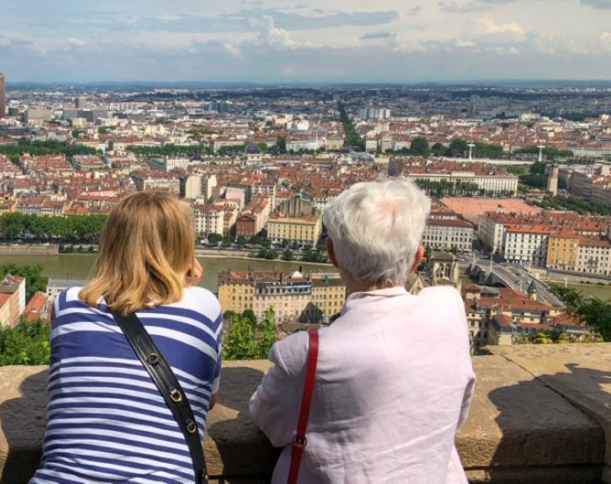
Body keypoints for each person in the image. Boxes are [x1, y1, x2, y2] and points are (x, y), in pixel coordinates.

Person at [249, 177, 475, 484]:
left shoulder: (306, 353)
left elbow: (268, 422)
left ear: (332, 255)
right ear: (417, 259)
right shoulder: (449, 308)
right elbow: (457, 412)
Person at [30, 190, 223, 483]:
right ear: (184, 250)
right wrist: (188, 285)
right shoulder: (204, 306)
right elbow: (207, 399)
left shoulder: (67, 304)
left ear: (111, 244)